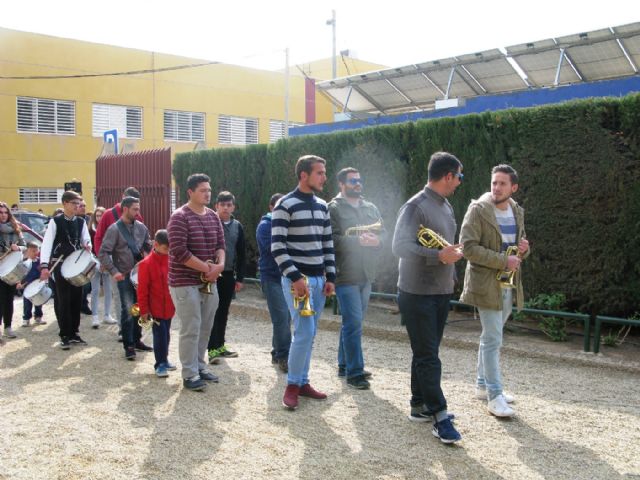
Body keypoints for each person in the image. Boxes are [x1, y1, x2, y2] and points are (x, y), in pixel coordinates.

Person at [391, 151, 464, 444]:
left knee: (426, 352)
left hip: (440, 291)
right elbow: (398, 246)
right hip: (416, 292)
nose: (460, 182)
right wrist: (438, 256)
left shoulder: (445, 206)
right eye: (459, 176)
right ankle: (439, 415)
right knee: (428, 356)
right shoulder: (414, 206)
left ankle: (418, 405)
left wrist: (451, 269)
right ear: (448, 176)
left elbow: (447, 251)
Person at [459, 164, 530, 418]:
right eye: (494, 183)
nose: (496, 188)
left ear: (514, 187)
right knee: (493, 339)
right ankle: (494, 395)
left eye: (502, 183)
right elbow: (468, 248)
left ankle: (481, 385)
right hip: (485, 283)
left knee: (491, 336)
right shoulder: (478, 210)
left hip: (509, 282)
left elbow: (517, 248)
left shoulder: (516, 210)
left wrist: (524, 249)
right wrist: (503, 260)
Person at [272, 155, 336, 410]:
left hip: (319, 280)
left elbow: (327, 244)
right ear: (303, 175)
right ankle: (292, 385)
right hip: (297, 281)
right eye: (319, 172)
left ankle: (303, 381)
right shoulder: (284, 205)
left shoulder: (323, 206)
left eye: (324, 172)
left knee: (309, 334)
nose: (324, 177)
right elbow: (277, 247)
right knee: (305, 332)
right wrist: (296, 277)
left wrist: (330, 277)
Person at [168, 173, 225, 391]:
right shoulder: (179, 216)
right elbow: (179, 251)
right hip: (185, 282)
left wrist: (219, 266)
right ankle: (189, 374)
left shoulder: (212, 215)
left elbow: (221, 244)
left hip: (209, 281)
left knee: (205, 327)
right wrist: (208, 269)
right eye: (203, 190)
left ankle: (200, 366)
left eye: (209, 190)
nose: (207, 193)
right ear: (190, 192)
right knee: (191, 327)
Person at [328, 167, 384, 390]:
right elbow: (330, 239)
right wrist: (358, 241)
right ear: (342, 184)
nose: (358, 184)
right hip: (345, 274)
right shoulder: (333, 208)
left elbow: (384, 232)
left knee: (353, 322)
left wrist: (377, 241)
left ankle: (344, 364)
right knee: (353, 323)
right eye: (353, 181)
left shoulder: (370, 207)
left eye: (359, 180)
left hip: (366, 273)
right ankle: (355, 372)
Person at [98, 196, 152, 360]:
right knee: (128, 310)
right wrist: (114, 271)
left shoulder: (142, 227)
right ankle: (128, 345)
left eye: (138, 208)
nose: (138, 212)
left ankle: (137, 340)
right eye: (135, 209)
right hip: (124, 276)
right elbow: (103, 253)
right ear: (125, 209)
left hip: (140, 276)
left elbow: (148, 247)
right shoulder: (114, 229)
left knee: (140, 308)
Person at [40, 191, 92, 350]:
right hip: (60, 265)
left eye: (78, 203)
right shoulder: (55, 222)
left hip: (76, 266)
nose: (77, 206)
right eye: (74, 203)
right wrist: (44, 266)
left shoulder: (81, 222)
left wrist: (87, 245)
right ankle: (64, 334)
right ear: (65, 204)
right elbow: (47, 244)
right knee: (64, 300)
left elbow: (86, 238)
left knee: (77, 299)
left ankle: (74, 332)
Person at [94, 187, 143, 339]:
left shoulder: (138, 217)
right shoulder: (108, 214)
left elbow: (141, 240)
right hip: (115, 265)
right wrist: (102, 260)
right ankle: (124, 329)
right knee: (120, 298)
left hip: (133, 266)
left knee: (134, 300)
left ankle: (134, 329)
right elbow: (98, 237)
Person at [207, 191, 246, 364]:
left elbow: (242, 253)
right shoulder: (209, 221)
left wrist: (240, 278)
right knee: (211, 311)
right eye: (222, 204)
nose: (225, 207)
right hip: (210, 275)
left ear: (233, 207)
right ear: (216, 206)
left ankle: (220, 346)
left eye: (228, 205)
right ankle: (211, 349)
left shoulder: (237, 226)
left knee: (223, 311)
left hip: (229, 274)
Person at [256, 193, 291, 373]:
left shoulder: (286, 225)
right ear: (271, 207)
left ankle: (276, 351)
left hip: (287, 277)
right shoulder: (265, 226)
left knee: (285, 318)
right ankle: (284, 356)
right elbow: (275, 250)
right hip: (272, 278)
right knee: (281, 318)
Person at [137, 229, 176, 378]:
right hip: (155, 308)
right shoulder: (145, 264)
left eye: (169, 249)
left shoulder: (171, 260)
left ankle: (164, 360)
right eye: (166, 248)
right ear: (156, 244)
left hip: (169, 307)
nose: (168, 251)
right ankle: (159, 363)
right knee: (159, 336)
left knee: (166, 334)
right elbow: (142, 290)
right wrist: (144, 310)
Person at [0, 202, 26, 339]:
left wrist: (18, 248)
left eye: (5, 212)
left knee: (8, 299)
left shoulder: (15, 229)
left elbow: (24, 246)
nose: (3, 215)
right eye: (1, 213)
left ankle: (8, 327)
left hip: (11, 269)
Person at [88, 207, 116, 328]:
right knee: (94, 290)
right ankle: (95, 316)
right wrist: (97, 261)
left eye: (101, 215)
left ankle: (107, 314)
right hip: (94, 261)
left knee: (108, 289)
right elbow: (89, 246)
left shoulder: (109, 229)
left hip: (107, 261)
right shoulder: (91, 230)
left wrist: (106, 261)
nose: (99, 218)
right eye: (97, 215)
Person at [17, 242, 46, 327]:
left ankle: (38, 317)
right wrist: (19, 283)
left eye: (37, 250)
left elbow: (43, 272)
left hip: (38, 286)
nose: (35, 252)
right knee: (27, 303)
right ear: (27, 251)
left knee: (38, 302)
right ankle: (26, 318)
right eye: (33, 251)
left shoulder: (40, 261)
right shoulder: (24, 262)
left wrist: (43, 276)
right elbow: (20, 274)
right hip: (27, 286)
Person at [77, 199, 93, 316]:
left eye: (84, 205)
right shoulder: (73, 220)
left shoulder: (88, 220)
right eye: (81, 205)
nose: (83, 207)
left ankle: (83, 303)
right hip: (75, 256)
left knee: (87, 283)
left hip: (86, 255)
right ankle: (79, 304)